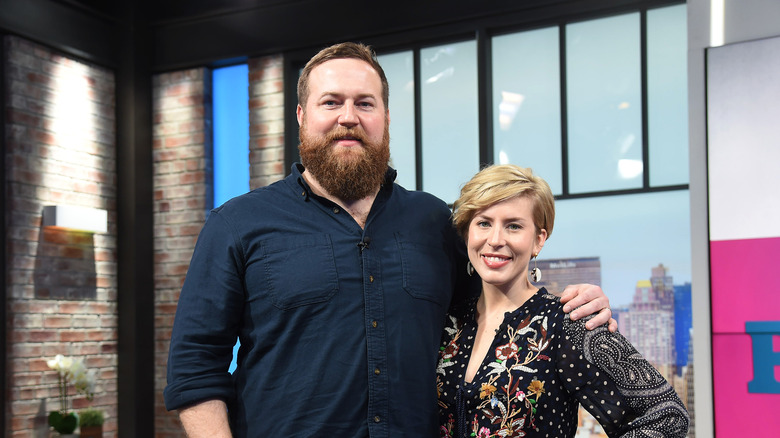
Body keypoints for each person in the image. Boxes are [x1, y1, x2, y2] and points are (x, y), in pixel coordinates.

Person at [164, 42, 615, 438]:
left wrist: (571, 306)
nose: (348, 117)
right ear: (301, 116)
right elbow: (194, 369)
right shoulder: (237, 223)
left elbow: (489, 309)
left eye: (365, 103)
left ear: (385, 117)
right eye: (331, 102)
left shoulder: (434, 220)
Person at [436, 164, 690, 437]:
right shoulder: (447, 321)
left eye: (513, 226)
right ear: (467, 233)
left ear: (538, 239)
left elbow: (667, 416)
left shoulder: (566, 321)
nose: (496, 239)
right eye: (484, 223)